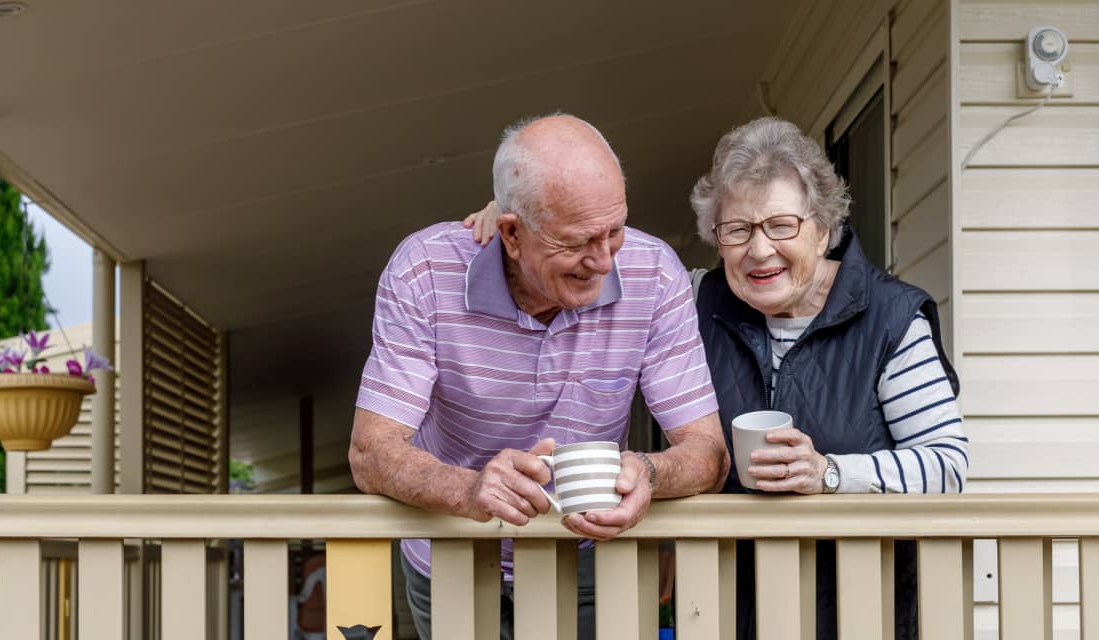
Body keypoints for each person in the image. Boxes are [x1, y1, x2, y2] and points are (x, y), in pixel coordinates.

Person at [466, 116, 968, 639]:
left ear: (822, 229)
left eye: (782, 225)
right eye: (738, 230)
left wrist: (831, 474)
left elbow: (948, 465)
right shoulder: (693, 301)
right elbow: (583, 249)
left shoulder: (889, 319)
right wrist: (517, 229)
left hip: (860, 607)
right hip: (723, 608)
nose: (759, 249)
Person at [349, 113, 730, 640]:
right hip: (452, 550)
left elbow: (708, 453)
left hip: (589, 554)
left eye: (614, 231)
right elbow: (371, 454)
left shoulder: (655, 273)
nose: (602, 261)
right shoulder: (424, 270)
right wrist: (470, 490)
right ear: (510, 233)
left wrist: (650, 472)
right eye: (576, 243)